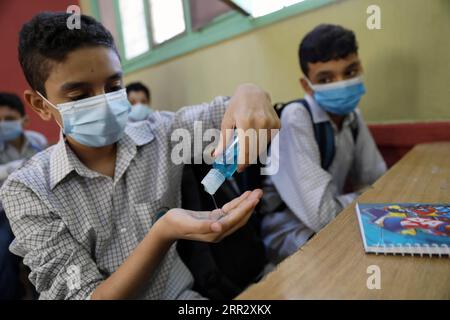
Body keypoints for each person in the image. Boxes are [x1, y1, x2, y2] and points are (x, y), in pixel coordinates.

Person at [0, 12, 280, 300]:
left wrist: (251, 94)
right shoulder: (28, 190)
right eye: (79, 97)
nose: (104, 103)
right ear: (40, 105)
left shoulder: (162, 134)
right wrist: (162, 233)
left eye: (113, 87)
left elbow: (229, 112)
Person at [261, 24, 387, 264]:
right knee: (357, 263)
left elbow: (377, 177)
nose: (341, 84)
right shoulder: (296, 117)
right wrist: (372, 195)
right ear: (307, 86)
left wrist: (373, 192)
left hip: (337, 222)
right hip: (290, 234)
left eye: (350, 72)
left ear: (360, 67)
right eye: (326, 78)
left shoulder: (353, 118)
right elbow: (323, 215)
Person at [0, 92, 47, 299]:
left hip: (36, 209)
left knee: (44, 254)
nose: (3, 125)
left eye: (8, 120)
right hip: (4, 215)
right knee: (3, 254)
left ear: (24, 120)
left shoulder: (38, 141)